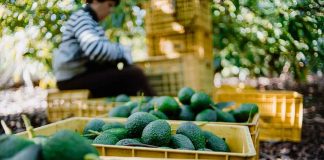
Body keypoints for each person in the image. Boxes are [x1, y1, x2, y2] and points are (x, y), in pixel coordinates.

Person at [53, 0, 155, 97]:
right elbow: (95, 50)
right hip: (71, 79)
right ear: (96, 1)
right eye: (109, 5)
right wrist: (122, 51)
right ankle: (156, 107)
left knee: (125, 73)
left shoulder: (90, 20)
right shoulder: (82, 18)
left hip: (80, 75)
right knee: (134, 75)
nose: (111, 11)